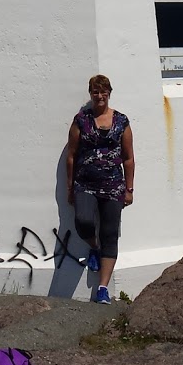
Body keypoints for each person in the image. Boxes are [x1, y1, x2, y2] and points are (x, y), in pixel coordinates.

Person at [65, 74, 134, 303]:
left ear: (109, 93)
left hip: (114, 186)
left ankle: (102, 288)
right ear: (90, 94)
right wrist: (69, 187)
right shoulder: (81, 120)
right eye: (95, 92)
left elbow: (128, 158)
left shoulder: (121, 121)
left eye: (103, 91)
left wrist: (129, 189)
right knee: (83, 221)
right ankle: (93, 247)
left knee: (110, 234)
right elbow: (71, 155)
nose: (99, 95)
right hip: (85, 184)